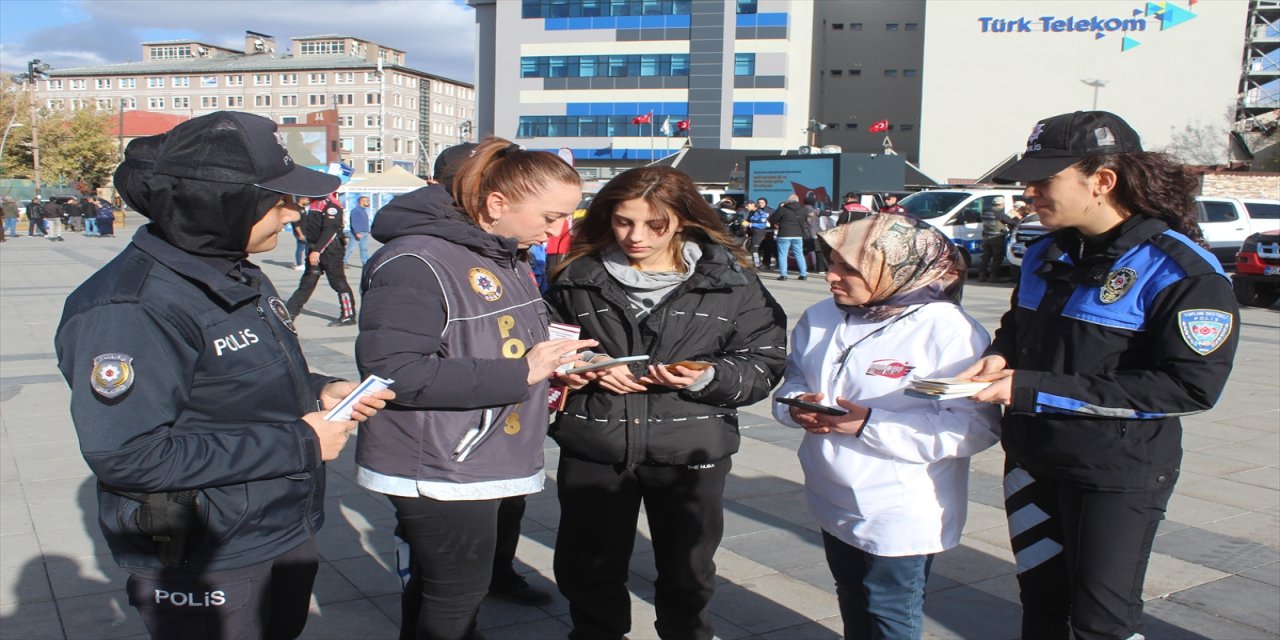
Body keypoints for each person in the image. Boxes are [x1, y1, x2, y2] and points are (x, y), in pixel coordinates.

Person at [54, 111, 393, 640]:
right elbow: (129, 454)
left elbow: (237, 378)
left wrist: (319, 389)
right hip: (209, 550)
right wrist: (301, 442)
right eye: (279, 200)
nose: (293, 212)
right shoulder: (130, 308)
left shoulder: (235, 272)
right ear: (222, 203)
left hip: (275, 524)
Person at [960, 111, 1240, 640]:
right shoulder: (1044, 252)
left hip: (1114, 473)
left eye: (1045, 179)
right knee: (1042, 604)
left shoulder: (1180, 271)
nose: (1029, 192)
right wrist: (1000, 354)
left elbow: (1189, 387)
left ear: (1102, 181)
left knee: (1101, 623)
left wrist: (1031, 388)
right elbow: (1019, 325)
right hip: (1031, 462)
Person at [354, 136, 596, 640]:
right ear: (496, 204)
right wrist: (522, 372)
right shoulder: (416, 260)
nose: (559, 231)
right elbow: (394, 372)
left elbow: (500, 337)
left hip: (478, 451)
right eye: (550, 217)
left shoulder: (503, 251)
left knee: (442, 589)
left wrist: (557, 365)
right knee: (455, 594)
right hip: (440, 462)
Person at [545, 165, 788, 640]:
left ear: (683, 220)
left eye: (654, 224)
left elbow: (766, 359)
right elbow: (547, 341)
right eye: (623, 221)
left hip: (690, 447)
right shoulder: (577, 274)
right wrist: (587, 363)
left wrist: (709, 376)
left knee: (687, 572)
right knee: (588, 568)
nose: (636, 236)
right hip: (596, 444)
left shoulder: (730, 280)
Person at [774, 214, 1000, 640]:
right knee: (851, 595)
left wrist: (869, 424)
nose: (830, 276)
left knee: (889, 608)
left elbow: (974, 427)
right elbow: (797, 376)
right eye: (831, 263)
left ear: (900, 269)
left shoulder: (948, 330)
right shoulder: (821, 315)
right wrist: (797, 406)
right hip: (830, 492)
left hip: (899, 506)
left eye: (848, 268)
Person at [285, 192, 357, 326]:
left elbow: (330, 231)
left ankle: (348, 315)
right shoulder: (314, 203)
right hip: (314, 247)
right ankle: (290, 313)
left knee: (338, 282)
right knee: (307, 283)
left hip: (331, 250)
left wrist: (317, 251)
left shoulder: (331, 205)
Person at [769, 193, 810, 280]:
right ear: (797, 201)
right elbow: (806, 221)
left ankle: (783, 275)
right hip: (798, 234)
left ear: (788, 201)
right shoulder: (803, 210)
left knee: (782, 255)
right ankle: (803, 274)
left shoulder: (783, 209)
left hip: (784, 234)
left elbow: (772, 219)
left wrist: (780, 209)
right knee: (799, 254)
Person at [977, 196, 1017, 282]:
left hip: (986, 238)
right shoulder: (1000, 213)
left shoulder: (985, 212)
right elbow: (1012, 223)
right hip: (997, 238)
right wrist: (1015, 217)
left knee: (985, 257)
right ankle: (994, 277)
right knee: (997, 257)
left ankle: (981, 275)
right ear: (1001, 204)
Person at [741, 200, 770, 268]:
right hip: (753, 232)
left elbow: (763, 224)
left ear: (752, 204)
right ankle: (756, 263)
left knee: (754, 249)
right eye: (745, 206)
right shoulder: (751, 212)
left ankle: (757, 264)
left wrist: (750, 224)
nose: (746, 207)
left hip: (759, 233)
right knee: (752, 248)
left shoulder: (760, 212)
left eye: (747, 205)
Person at [345, 195, 372, 266]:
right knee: (350, 248)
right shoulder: (356, 210)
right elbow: (354, 222)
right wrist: (357, 232)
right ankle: (343, 262)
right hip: (357, 233)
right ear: (361, 201)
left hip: (364, 233)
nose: (369, 202)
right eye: (367, 201)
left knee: (364, 249)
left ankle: (365, 263)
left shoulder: (363, 210)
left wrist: (368, 231)